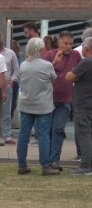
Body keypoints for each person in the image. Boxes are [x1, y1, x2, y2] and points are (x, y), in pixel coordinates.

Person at [16, 38, 59, 176]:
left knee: (24, 135)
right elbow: (54, 79)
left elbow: (20, 80)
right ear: (41, 50)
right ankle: (45, 166)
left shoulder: (23, 65)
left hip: (26, 104)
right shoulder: (47, 65)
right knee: (43, 136)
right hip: (43, 106)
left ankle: (22, 165)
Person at [43, 31, 81, 170]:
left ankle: (55, 160)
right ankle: (46, 160)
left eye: (71, 44)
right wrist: (54, 63)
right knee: (47, 130)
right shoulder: (49, 55)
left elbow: (81, 71)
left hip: (65, 100)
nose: (68, 46)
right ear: (59, 43)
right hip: (48, 99)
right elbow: (43, 74)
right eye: (65, 43)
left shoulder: (76, 55)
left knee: (58, 129)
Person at [65, 37, 92, 175]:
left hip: (84, 104)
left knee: (84, 134)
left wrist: (72, 70)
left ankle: (86, 166)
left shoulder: (86, 62)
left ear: (86, 49)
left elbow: (70, 77)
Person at [0, 31, 20, 145]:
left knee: (6, 112)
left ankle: (7, 135)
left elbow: (16, 69)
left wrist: (12, 81)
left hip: (7, 85)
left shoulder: (10, 53)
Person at [10, 40, 22, 120]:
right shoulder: (12, 57)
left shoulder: (19, 58)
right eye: (17, 49)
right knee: (10, 106)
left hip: (15, 85)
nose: (19, 50)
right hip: (10, 85)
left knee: (13, 106)